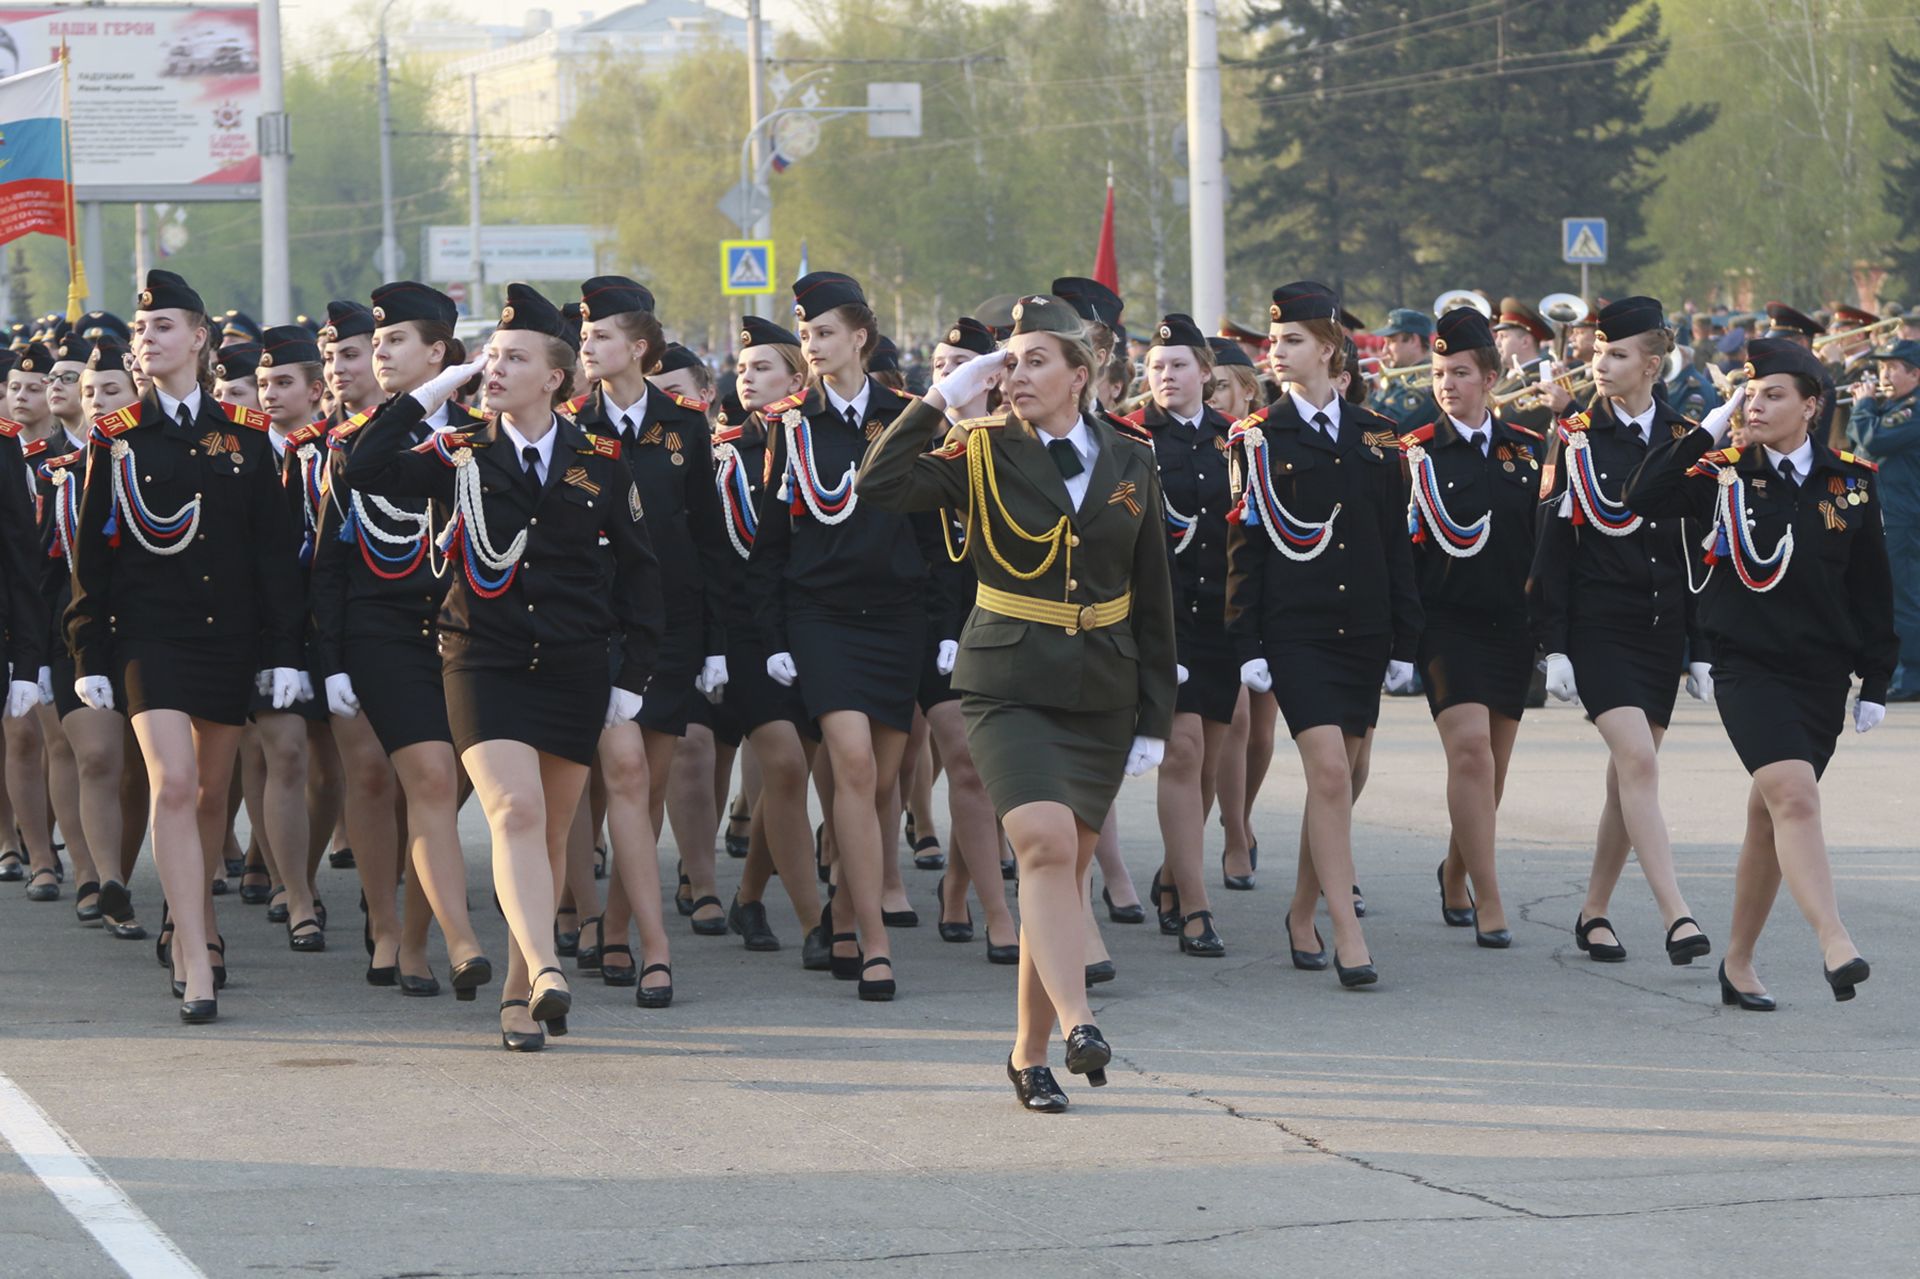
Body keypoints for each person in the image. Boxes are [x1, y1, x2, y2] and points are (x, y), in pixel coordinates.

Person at [858, 292, 1176, 1112]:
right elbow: (880, 485)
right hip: (1007, 679)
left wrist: (1155, 716)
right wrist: (939, 400)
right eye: (1010, 360)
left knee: (1060, 866)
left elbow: (1153, 596)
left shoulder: (1131, 458)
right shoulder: (981, 448)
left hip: (1102, 687)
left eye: (1036, 359)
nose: (1017, 373)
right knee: (1039, 843)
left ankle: (1027, 1050)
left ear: (1084, 373)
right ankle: (1079, 1020)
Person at [344, 281, 662, 1051]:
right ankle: (550, 966)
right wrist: (432, 392)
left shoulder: (601, 462)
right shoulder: (458, 451)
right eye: (490, 356)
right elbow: (363, 465)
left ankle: (521, 994)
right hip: (481, 659)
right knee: (514, 812)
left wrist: (631, 677)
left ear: (554, 377)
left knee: (553, 834)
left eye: (512, 358)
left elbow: (645, 579)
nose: (494, 367)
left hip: (574, 665)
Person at [67, 269, 306, 1024]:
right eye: (142, 330)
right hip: (151, 639)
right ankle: (197, 955)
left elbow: (272, 556)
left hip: (227, 638)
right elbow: (93, 556)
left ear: (199, 339)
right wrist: (89, 654)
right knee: (172, 782)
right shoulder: (117, 436)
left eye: (163, 327)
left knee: (209, 794)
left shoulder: (244, 437)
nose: (147, 340)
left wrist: (282, 652)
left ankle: (187, 915)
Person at [1625, 338, 1889, 1007]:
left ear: (1811, 404)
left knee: (1771, 817)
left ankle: (1737, 962)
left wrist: (1877, 681)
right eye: (1751, 392)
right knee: (1795, 797)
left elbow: (1871, 589)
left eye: (1773, 393)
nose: (1758, 404)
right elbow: (1642, 493)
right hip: (1748, 666)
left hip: (1822, 676)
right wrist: (1713, 420)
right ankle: (1834, 939)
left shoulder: (1851, 483)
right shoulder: (1724, 472)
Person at [1228, 281, 1421, 989]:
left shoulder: (1376, 435)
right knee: (1331, 772)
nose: (1277, 353)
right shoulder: (1256, 437)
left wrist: (1405, 640)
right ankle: (1349, 931)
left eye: (1292, 341)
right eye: (1275, 342)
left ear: (1330, 349)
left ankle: (1304, 905)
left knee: (1348, 775)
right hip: (1297, 631)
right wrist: (1245, 643)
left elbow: (1394, 544)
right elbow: (1244, 549)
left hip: (1363, 630)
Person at [747, 270, 932, 1002]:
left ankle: (849, 914)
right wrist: (774, 637)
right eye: (806, 333)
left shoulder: (911, 418)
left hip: (897, 618)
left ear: (860, 336)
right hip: (820, 617)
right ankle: (876, 944)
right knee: (852, 765)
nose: (813, 345)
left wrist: (944, 629)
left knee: (881, 783)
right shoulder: (789, 425)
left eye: (824, 332)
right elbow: (768, 544)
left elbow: (936, 532)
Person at [310, 286, 491, 995]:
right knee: (410, 778)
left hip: (463, 632)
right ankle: (397, 928)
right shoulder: (353, 442)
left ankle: (418, 933)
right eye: (375, 343)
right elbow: (328, 563)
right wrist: (329, 661)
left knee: (441, 793)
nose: (379, 352)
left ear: (439, 354)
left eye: (396, 342)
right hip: (380, 629)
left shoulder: (481, 432)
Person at [1528, 296, 1712, 968]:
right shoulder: (1574, 435)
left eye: (1615, 354)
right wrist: (1553, 644)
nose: (1598, 364)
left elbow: (1698, 548)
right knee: (1638, 763)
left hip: (1661, 629)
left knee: (1624, 780)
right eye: (1597, 351)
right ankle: (1677, 915)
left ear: (1652, 365)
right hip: (1599, 628)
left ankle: (1594, 910)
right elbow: (1552, 542)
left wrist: (1701, 649)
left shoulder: (1685, 438)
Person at [569, 274, 727, 1003]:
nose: (587, 346)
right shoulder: (569, 421)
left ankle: (619, 927)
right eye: (583, 336)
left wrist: (716, 641)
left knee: (648, 781)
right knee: (597, 779)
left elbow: (706, 536)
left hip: (668, 627)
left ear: (638, 346)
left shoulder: (687, 424)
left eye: (600, 336)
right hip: (590, 623)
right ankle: (589, 912)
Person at [1402, 308, 1546, 948]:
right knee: (1470, 753)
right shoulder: (1414, 451)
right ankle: (1490, 899)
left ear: (1490, 376)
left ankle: (1457, 867)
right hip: (1446, 624)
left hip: (1509, 626)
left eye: (1460, 373)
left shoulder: (1527, 448)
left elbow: (1540, 547)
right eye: (1438, 373)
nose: (1447, 385)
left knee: (1495, 769)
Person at [718, 316, 829, 967]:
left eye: (763, 368)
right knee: (786, 766)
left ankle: (751, 894)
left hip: (809, 625)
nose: (748, 379)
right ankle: (817, 921)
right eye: (742, 369)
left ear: (797, 378)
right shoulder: (723, 449)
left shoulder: (813, 441)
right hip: (746, 631)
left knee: (798, 772)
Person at [1124, 314, 1234, 958]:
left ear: (1206, 373)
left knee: (1211, 765)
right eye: (1156, 367)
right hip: (1163, 618)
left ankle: (1173, 874)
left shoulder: (1236, 438)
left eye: (1178, 366)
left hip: (1223, 615)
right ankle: (1196, 907)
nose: (1165, 376)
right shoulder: (1132, 438)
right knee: (1184, 752)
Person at [38, 337, 150, 938]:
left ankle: (122, 876)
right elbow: (41, 572)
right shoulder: (60, 473)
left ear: (136, 397)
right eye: (89, 393)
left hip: (147, 630)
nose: (100, 401)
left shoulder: (160, 460)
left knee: (138, 769)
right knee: (98, 757)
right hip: (76, 634)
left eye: (112, 390)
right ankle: (98, 875)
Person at [917, 315, 1020, 964]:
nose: (946, 373)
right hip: (929, 627)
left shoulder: (1014, 443)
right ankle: (999, 913)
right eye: (937, 363)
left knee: (978, 769)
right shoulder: (919, 442)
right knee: (968, 763)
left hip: (1001, 622)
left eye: (960, 362)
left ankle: (957, 884)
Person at [1204, 337, 1274, 894]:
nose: (1212, 395)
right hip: (1217, 590)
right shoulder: (1207, 437)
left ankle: (1240, 813)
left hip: (1273, 587)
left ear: (1246, 389)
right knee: (1236, 720)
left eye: (1221, 385)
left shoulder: (1268, 436)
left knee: (1262, 727)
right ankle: (1234, 831)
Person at [1845, 339, 1920, 700]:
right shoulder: (1889, 406)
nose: (1884, 375)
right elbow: (1856, 445)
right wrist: (1866, 408)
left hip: (1903, 515)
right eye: (1882, 368)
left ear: (1915, 375)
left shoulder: (1912, 409)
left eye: (1893, 368)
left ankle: (1911, 676)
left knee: (1903, 596)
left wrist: (1862, 407)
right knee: (1887, 594)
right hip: (1885, 511)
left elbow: (1873, 441)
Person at [1367, 308, 1438, 429]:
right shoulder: (1402, 376)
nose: (1385, 350)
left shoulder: (1423, 380)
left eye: (1391, 342)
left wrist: (1361, 396)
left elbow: (1388, 425)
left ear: (1413, 340)